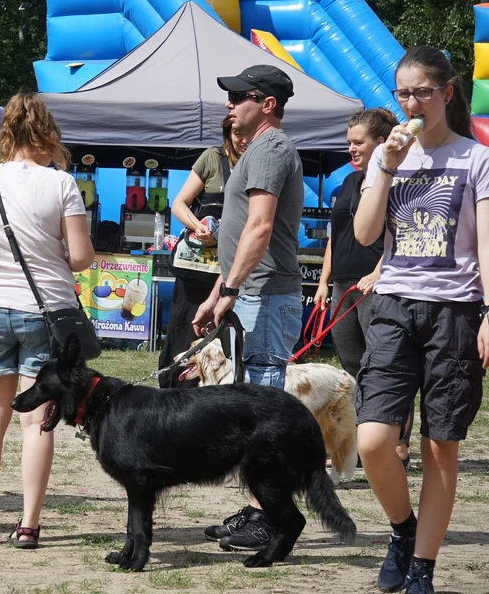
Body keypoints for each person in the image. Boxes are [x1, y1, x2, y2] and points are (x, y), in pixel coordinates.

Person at [353, 46, 489, 594]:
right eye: (403, 93)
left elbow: (484, 246)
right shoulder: (389, 158)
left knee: (440, 444)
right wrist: (384, 164)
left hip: (455, 310)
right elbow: (365, 235)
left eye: (423, 93)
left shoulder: (475, 160)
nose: (412, 103)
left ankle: (422, 569)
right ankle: (402, 529)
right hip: (393, 304)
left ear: (446, 94)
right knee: (372, 439)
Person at [0, 92, 94, 546]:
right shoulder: (61, 184)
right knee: (37, 422)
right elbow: (79, 258)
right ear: (46, 134)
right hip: (45, 309)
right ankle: (29, 525)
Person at [192, 64, 304, 553]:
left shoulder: (271, 148)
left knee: (264, 416)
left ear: (268, 104)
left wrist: (233, 289)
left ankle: (270, 519)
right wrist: (219, 291)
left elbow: (259, 228)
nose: (229, 104)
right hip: (251, 291)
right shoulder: (256, 151)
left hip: (265, 293)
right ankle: (259, 510)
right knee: (253, 413)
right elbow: (241, 235)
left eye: (240, 96)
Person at [312, 107, 416, 466]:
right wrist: (324, 281)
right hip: (343, 285)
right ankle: (360, 443)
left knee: (385, 366)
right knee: (353, 366)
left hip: (376, 285)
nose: (351, 150)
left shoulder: (395, 179)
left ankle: (398, 442)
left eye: (358, 143)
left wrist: (378, 271)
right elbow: (334, 236)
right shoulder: (347, 184)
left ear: (380, 143)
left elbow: (402, 234)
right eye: (348, 143)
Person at [158, 115, 249, 387]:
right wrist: (199, 227)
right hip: (198, 269)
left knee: (225, 334)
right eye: (237, 134)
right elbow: (179, 204)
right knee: (187, 328)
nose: (243, 140)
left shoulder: (259, 161)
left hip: (233, 267)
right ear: (226, 134)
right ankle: (178, 390)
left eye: (247, 134)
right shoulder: (212, 158)